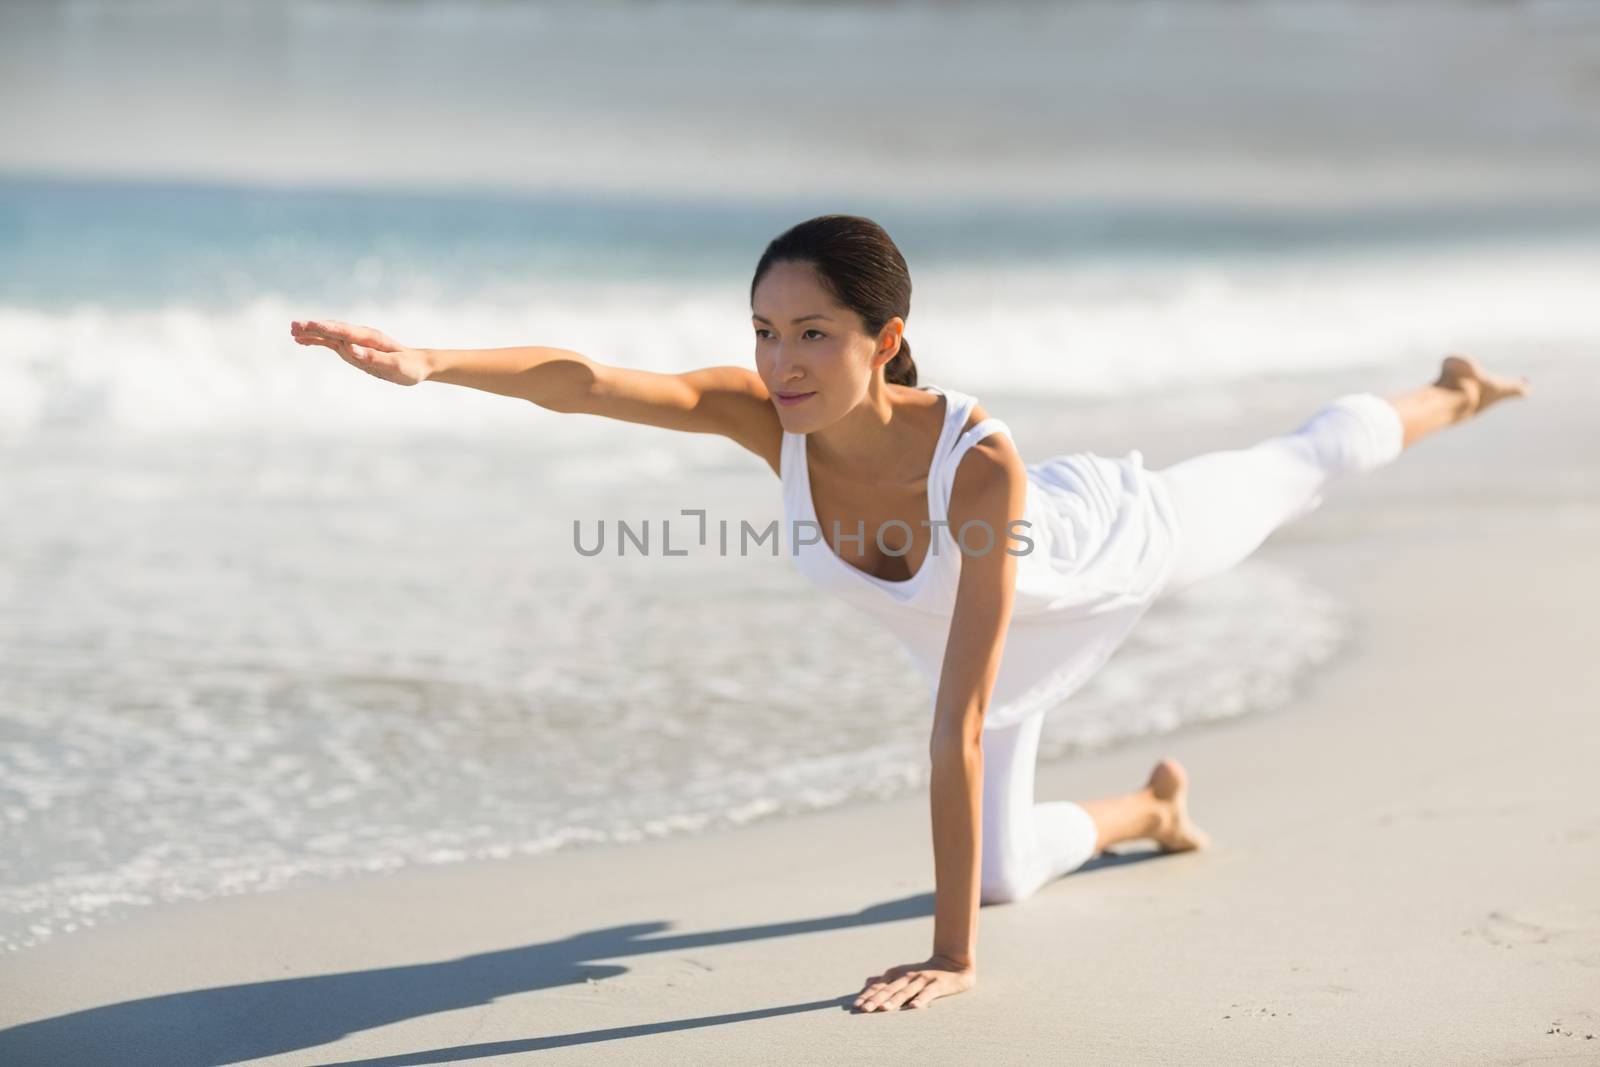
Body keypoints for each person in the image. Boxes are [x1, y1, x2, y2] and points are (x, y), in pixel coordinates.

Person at [288, 213, 1531, 1015]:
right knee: (994, 874)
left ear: (885, 341)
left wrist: (952, 960)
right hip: (974, 644)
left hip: (1101, 552)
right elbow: (592, 380)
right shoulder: (761, 418)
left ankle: (1449, 392)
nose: (782, 361)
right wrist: (429, 362)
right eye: (766, 330)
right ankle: (1148, 807)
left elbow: (962, 716)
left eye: (814, 333)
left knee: (1296, 462)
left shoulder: (977, 465)